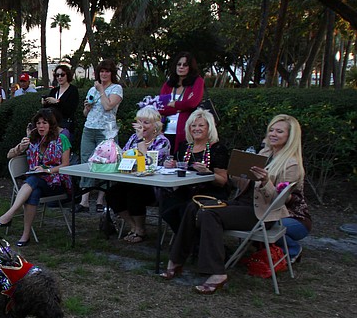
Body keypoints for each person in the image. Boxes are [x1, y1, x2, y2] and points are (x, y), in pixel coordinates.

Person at [162, 114, 311, 294]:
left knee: (209, 214)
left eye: (279, 131)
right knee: (193, 205)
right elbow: (243, 186)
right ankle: (176, 260)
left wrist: (266, 182)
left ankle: (217, 273)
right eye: (271, 130)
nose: (273, 134)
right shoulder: (264, 153)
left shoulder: (292, 165)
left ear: (290, 136)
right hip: (243, 203)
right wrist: (238, 173)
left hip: (263, 212)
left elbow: (281, 200)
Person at [0, 109, 72, 247]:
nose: (41, 126)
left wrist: (46, 170)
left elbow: (65, 165)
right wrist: (19, 148)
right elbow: (9, 155)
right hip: (36, 183)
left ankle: (10, 214)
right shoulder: (33, 139)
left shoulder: (61, 139)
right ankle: (25, 235)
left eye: (44, 123)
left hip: (56, 182)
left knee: (33, 180)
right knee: (33, 189)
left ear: (51, 124)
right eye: (38, 123)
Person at [105, 105, 171, 244]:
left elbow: (148, 163)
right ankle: (133, 226)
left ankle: (140, 230)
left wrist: (141, 140)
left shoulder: (162, 141)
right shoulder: (133, 138)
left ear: (156, 125)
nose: (141, 126)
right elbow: (124, 155)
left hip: (154, 185)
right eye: (139, 122)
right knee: (112, 193)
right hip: (131, 179)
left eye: (146, 122)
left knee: (135, 193)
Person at [160, 109, 229, 233]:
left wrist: (208, 172)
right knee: (166, 208)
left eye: (201, 125)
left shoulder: (217, 148)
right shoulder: (184, 146)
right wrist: (170, 164)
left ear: (209, 128)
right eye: (193, 125)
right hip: (186, 190)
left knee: (184, 209)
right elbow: (176, 165)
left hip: (209, 192)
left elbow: (223, 180)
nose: (196, 129)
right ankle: (186, 240)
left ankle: (190, 243)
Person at [75, 60, 123, 214]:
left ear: (112, 73)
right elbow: (85, 113)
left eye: (107, 71)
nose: (104, 74)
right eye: (101, 71)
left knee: (106, 163)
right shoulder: (92, 89)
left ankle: (101, 199)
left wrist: (101, 90)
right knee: (86, 161)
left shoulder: (116, 88)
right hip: (89, 129)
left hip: (107, 131)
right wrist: (87, 107)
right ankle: (84, 200)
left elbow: (108, 106)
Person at [159, 51, 204, 150]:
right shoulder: (168, 84)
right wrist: (180, 108)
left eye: (185, 65)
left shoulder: (197, 81)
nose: (181, 67)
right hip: (166, 131)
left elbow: (193, 103)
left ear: (190, 67)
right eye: (179, 64)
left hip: (185, 131)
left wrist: (174, 104)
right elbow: (161, 108)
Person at [42, 64, 79, 135]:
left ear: (67, 75)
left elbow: (71, 109)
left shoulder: (73, 90)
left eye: (62, 75)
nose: (59, 77)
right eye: (57, 75)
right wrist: (45, 103)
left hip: (65, 125)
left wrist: (57, 101)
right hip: (52, 125)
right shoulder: (54, 91)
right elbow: (48, 109)